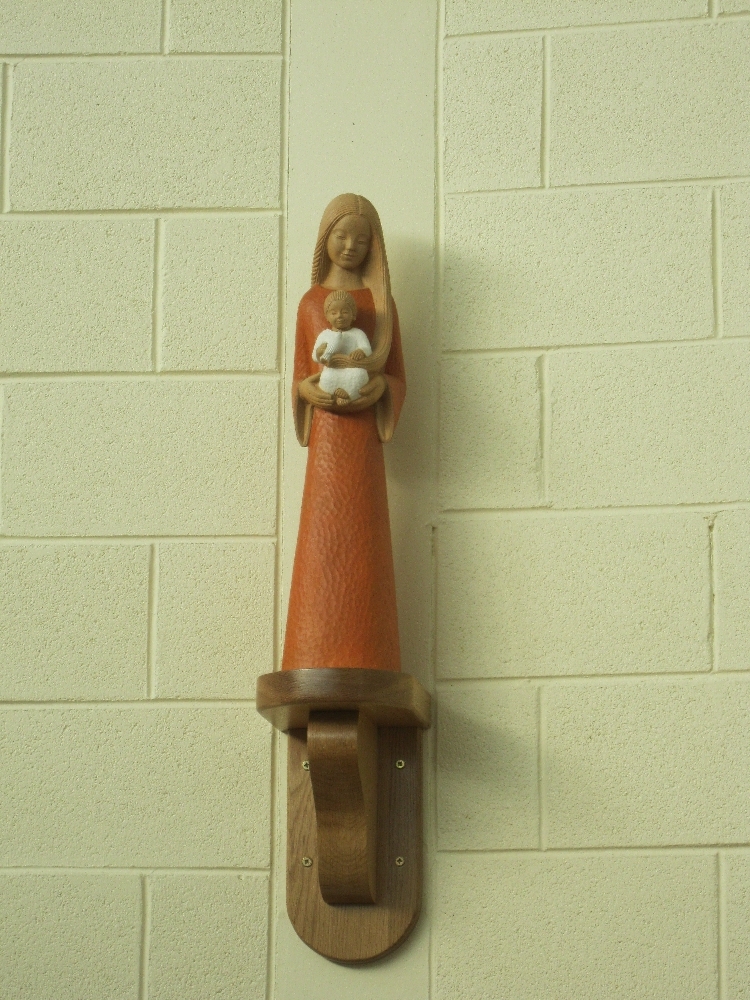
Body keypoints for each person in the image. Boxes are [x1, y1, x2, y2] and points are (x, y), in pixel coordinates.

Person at [282, 193, 406, 672]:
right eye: (341, 235)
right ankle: (314, 650)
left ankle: (368, 652)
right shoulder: (310, 303)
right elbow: (301, 370)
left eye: (361, 239)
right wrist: (305, 392)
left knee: (363, 545)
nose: (350, 246)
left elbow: (396, 375)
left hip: (363, 447)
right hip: (327, 442)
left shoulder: (381, 305)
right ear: (325, 239)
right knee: (323, 539)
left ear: (374, 246)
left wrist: (381, 387)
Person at [312, 289, 372, 405]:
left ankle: (349, 396)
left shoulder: (357, 333)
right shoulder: (325, 335)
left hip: (352, 368)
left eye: (344, 312)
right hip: (333, 369)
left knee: (360, 376)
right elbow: (315, 356)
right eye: (333, 313)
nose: (339, 316)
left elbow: (367, 349)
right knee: (326, 378)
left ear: (353, 315)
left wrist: (361, 351)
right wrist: (319, 352)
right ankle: (336, 393)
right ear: (327, 317)